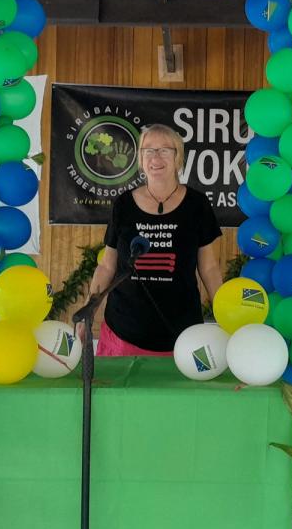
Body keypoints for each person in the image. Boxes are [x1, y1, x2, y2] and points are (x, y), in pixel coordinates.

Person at [82, 123, 223, 356]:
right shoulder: (124, 204)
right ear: (140, 158)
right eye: (148, 150)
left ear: (178, 157)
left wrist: (224, 313)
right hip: (124, 332)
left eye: (164, 150)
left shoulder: (197, 204)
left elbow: (209, 268)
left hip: (181, 335)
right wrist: (88, 310)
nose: (155, 157)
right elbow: (107, 265)